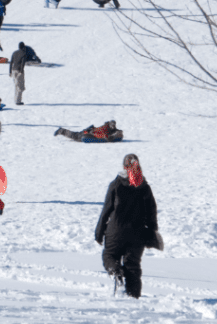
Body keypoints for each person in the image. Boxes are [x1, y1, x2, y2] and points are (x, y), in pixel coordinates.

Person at [95, 153, 160, 298]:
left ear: (124, 166)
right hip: (138, 233)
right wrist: (151, 232)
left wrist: (99, 232)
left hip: (115, 231)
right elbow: (151, 212)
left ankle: (115, 271)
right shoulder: (144, 187)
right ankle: (133, 297)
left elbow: (107, 209)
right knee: (133, 266)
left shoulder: (116, 184)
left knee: (109, 255)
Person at [55, 120, 123, 142]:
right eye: (112, 125)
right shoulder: (105, 128)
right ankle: (61, 131)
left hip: (91, 131)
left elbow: (118, 132)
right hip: (89, 132)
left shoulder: (110, 129)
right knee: (76, 136)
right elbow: (98, 134)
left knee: (77, 135)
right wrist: (105, 136)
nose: (113, 127)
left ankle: (62, 131)